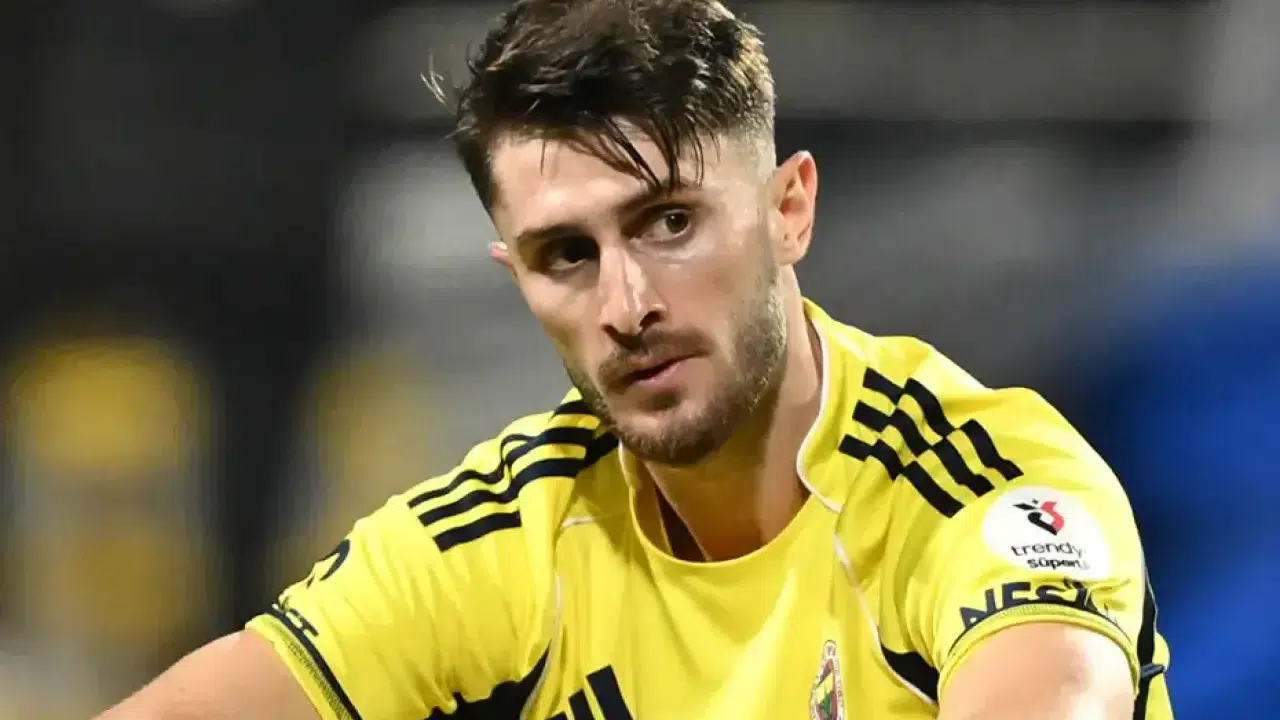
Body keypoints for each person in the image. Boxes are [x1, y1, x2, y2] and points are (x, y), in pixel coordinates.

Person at [95, 1, 1173, 718]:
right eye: (566, 254)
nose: (627, 306)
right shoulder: (511, 530)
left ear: (788, 209)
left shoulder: (979, 489)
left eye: (669, 223)